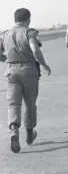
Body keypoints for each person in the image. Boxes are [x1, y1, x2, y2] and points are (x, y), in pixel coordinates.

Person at [0, 8, 52, 153]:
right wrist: (44, 64)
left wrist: (9, 60)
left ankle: (14, 130)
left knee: (13, 104)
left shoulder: (5, 34)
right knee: (30, 105)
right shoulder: (30, 32)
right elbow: (35, 50)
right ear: (28, 18)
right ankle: (29, 136)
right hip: (29, 71)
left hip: (11, 71)